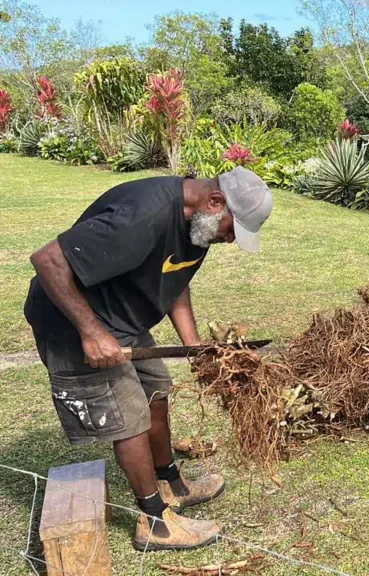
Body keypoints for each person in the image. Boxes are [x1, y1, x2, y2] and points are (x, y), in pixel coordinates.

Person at [23, 167, 273, 551]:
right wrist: (91, 333)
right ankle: (155, 521)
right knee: (130, 418)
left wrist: (192, 346)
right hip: (71, 321)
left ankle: (170, 483)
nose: (229, 240)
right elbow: (48, 261)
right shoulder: (143, 215)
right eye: (232, 230)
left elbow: (175, 276)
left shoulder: (196, 226)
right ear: (215, 202)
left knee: (157, 392)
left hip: (122, 317)